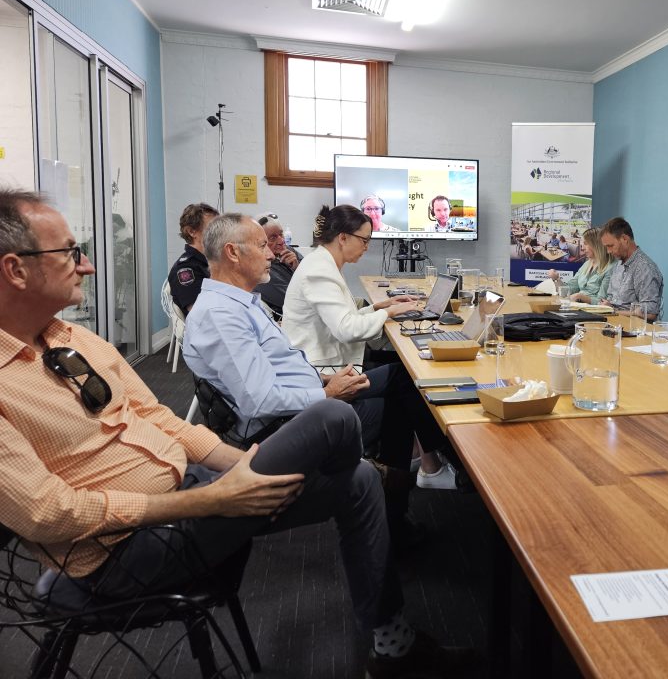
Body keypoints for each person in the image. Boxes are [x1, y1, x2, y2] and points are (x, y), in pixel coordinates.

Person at [0, 189, 469, 678]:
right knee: (334, 418)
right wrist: (214, 500)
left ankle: (392, 647)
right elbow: (47, 514)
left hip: (194, 486)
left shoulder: (76, 339)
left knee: (358, 481)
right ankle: (385, 466)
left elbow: (162, 420)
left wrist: (235, 470)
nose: (89, 265)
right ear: (16, 269)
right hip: (127, 548)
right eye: (71, 253)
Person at [281, 205, 458, 490]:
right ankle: (437, 460)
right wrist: (386, 314)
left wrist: (379, 306)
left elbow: (343, 319)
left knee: (403, 383)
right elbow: (347, 329)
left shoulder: (322, 264)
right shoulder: (319, 271)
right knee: (406, 384)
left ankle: (426, 463)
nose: (366, 247)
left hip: (327, 367)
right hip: (323, 375)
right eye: (364, 240)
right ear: (342, 237)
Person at [599, 216, 664, 320]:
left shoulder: (645, 267)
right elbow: (611, 299)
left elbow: (650, 312)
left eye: (610, 246)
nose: (608, 251)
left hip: (633, 329)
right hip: (612, 323)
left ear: (624, 239)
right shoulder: (619, 264)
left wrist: (613, 311)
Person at [167, 202, 218, 314]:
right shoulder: (186, 269)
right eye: (213, 227)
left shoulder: (212, 262)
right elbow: (201, 314)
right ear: (192, 232)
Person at [253, 211, 303, 319]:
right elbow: (298, 302)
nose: (281, 241)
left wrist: (297, 267)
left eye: (281, 234)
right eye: (273, 238)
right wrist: (298, 273)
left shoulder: (288, 251)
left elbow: (314, 276)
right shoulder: (261, 269)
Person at [546, 227, 613, 304]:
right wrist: (556, 279)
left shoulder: (610, 268)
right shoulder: (586, 264)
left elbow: (602, 302)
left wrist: (581, 297)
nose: (582, 248)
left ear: (596, 245)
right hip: (577, 307)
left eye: (585, 244)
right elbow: (570, 289)